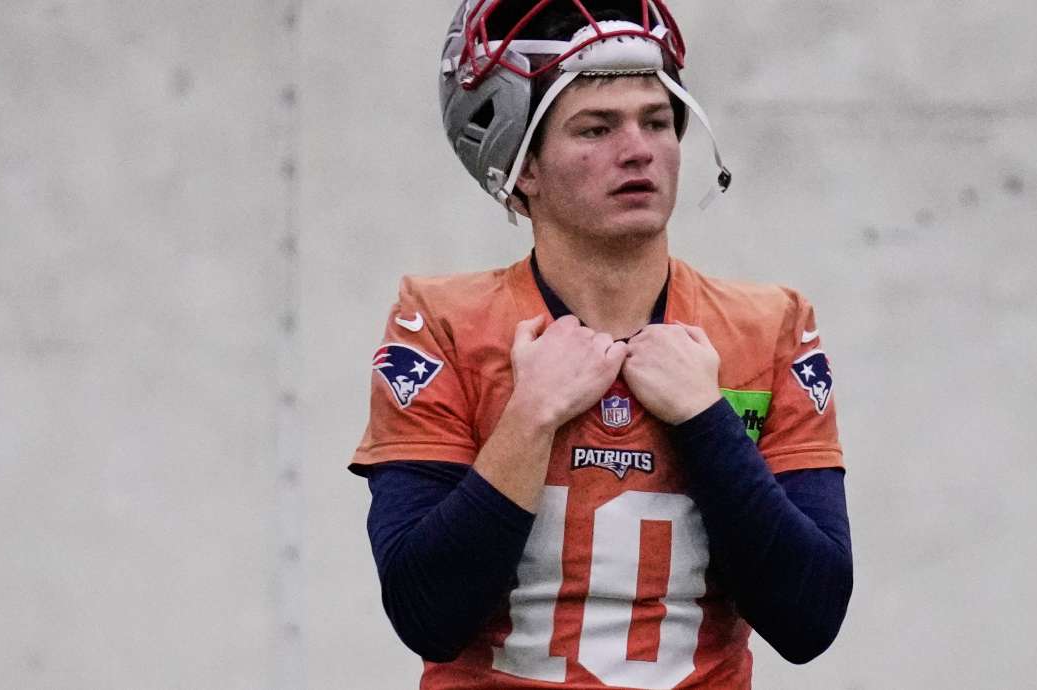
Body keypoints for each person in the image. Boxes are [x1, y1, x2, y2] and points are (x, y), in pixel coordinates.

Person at [349, 2, 852, 688]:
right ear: (523, 166)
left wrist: (707, 420)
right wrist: (531, 418)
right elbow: (427, 612)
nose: (639, 148)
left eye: (655, 120)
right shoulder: (442, 323)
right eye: (595, 128)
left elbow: (810, 619)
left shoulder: (768, 327)